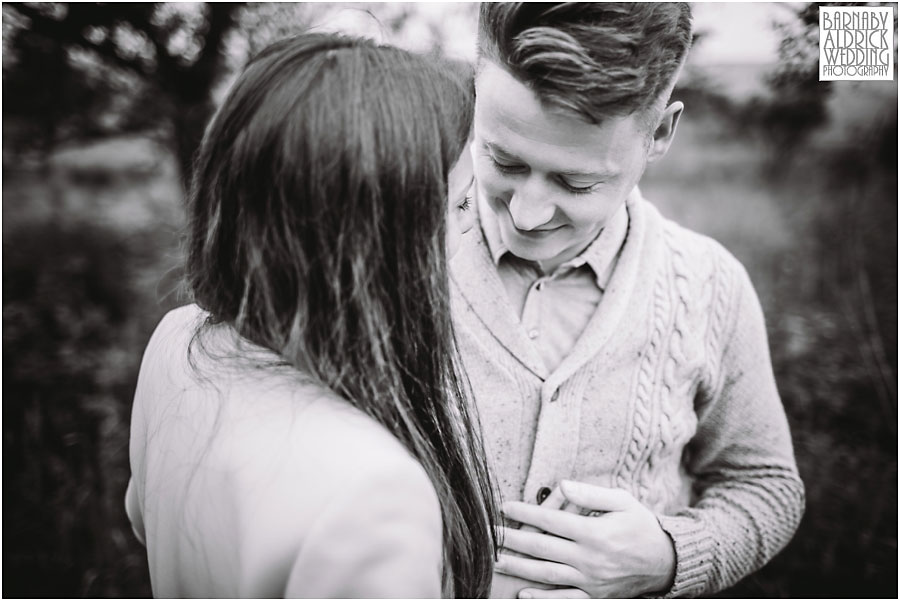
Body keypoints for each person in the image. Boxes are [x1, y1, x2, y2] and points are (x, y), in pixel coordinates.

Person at [450, 3, 805, 598]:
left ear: (660, 133)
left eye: (577, 183)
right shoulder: (390, 252)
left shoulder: (712, 285)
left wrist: (671, 556)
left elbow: (766, 485)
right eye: (503, 160)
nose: (526, 212)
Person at [125, 32, 498, 598]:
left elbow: (144, 516)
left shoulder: (176, 342)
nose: (475, 227)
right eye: (461, 203)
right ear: (378, 236)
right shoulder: (373, 490)